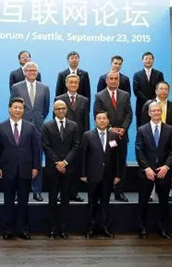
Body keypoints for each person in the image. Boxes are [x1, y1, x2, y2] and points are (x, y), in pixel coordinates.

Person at [0, 97, 41, 240]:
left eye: (20, 108)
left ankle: (23, 229)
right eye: (15, 107)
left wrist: (35, 167)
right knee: (8, 201)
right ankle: (7, 230)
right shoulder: (1, 127)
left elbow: (36, 149)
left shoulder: (31, 127)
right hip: (7, 168)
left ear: (23, 110)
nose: (18, 110)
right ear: (9, 109)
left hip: (26, 169)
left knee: (23, 201)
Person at [135, 102, 172, 239]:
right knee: (143, 201)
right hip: (146, 172)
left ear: (161, 112)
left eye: (158, 110)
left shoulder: (170, 129)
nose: (156, 113)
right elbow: (139, 150)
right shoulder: (142, 130)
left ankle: (163, 228)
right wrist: (147, 168)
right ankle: (142, 228)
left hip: (164, 172)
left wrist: (166, 167)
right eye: (153, 111)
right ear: (149, 113)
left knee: (164, 202)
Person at [10, 62, 49, 202]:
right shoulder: (16, 87)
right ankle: (16, 191)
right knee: (18, 158)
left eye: (35, 70)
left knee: (37, 158)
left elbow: (45, 109)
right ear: (24, 72)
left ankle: (37, 190)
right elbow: (13, 105)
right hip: (20, 127)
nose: (32, 72)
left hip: (38, 128)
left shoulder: (44, 88)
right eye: (29, 70)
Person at [42, 100, 80, 239]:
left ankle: (63, 229)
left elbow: (76, 146)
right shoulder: (47, 126)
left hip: (68, 169)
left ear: (66, 109)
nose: (61, 110)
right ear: (54, 110)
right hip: (52, 168)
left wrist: (65, 162)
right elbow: (45, 146)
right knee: (52, 199)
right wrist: (57, 162)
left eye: (63, 108)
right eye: (58, 108)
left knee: (65, 200)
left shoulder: (74, 126)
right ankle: (52, 229)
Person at [93, 71, 132, 202]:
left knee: (121, 163)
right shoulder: (99, 96)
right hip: (106, 136)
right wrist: (110, 129)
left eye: (116, 79)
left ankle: (119, 192)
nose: (114, 81)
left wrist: (123, 129)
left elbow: (129, 114)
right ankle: (105, 191)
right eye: (111, 79)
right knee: (107, 163)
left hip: (121, 136)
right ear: (106, 81)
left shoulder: (125, 95)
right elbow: (98, 114)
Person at [80, 111, 120, 238]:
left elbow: (118, 157)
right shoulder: (87, 135)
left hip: (108, 176)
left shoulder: (114, 135)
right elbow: (83, 156)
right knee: (92, 203)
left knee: (105, 203)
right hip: (92, 175)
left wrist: (117, 175)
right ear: (95, 121)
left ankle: (105, 227)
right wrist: (83, 174)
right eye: (99, 118)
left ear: (108, 120)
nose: (102, 120)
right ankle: (90, 228)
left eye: (104, 118)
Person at [140, 81, 172, 202]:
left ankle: (167, 194)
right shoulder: (148, 104)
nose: (164, 91)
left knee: (167, 170)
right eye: (161, 89)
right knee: (151, 169)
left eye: (166, 89)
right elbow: (143, 123)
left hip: (167, 144)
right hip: (150, 142)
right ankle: (150, 195)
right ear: (156, 91)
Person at [55, 73, 89, 202]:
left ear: (79, 85)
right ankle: (61, 193)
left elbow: (85, 120)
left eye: (76, 83)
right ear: (66, 84)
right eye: (71, 82)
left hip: (79, 139)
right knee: (62, 167)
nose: (73, 85)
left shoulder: (84, 100)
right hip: (63, 138)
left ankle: (74, 193)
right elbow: (56, 119)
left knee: (75, 167)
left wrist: (85, 138)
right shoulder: (59, 98)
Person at [133, 51, 165, 127]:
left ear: (153, 60)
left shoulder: (159, 74)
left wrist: (153, 101)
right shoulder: (137, 75)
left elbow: (160, 89)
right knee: (141, 128)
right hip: (141, 105)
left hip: (156, 105)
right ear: (142, 60)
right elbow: (136, 90)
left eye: (150, 59)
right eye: (146, 59)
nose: (148, 60)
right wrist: (148, 101)